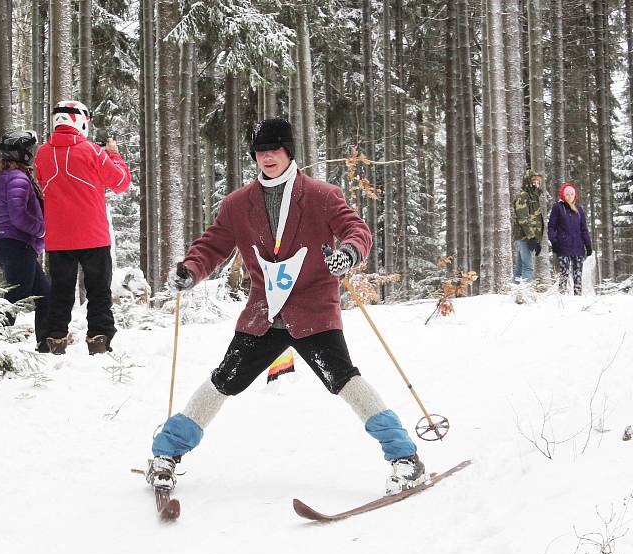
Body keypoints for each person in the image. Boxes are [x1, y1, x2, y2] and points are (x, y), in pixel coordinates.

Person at [145, 118, 426, 496]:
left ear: (289, 151)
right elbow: (212, 246)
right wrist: (191, 270)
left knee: (344, 380)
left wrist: (348, 254)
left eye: (274, 150)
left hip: (313, 311)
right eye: (260, 151)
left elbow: (357, 230)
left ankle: (405, 458)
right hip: (264, 315)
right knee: (223, 380)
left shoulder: (322, 196)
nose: (267, 157)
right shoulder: (237, 204)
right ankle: (165, 454)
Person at [34, 100, 132, 355]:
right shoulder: (92, 151)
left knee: (60, 291)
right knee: (99, 291)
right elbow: (121, 182)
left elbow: (44, 185)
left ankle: (54, 340)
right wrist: (114, 155)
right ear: (80, 121)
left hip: (58, 238)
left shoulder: (42, 153)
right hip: (93, 235)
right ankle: (99, 340)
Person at [0, 130, 50, 351]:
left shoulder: (5, 176)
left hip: (11, 245)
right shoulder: (18, 178)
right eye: (28, 150)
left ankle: (45, 344)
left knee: (45, 294)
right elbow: (18, 216)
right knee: (15, 298)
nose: (30, 154)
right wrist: (42, 229)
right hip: (18, 245)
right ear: (19, 153)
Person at [547, 182, 592, 296]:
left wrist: (588, 244)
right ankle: (562, 297)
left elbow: (584, 229)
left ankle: (578, 297)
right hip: (563, 247)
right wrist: (554, 242)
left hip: (578, 247)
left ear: (575, 195)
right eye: (567, 194)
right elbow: (551, 227)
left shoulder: (579, 210)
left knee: (578, 274)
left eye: (572, 193)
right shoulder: (558, 207)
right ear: (563, 195)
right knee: (564, 273)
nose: (569, 196)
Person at [512, 169, 546, 282]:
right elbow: (523, 219)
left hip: (529, 237)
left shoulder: (534, 197)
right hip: (524, 237)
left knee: (520, 267)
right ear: (527, 181)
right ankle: (525, 294)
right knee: (528, 267)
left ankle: (516, 293)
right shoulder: (523, 196)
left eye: (538, 182)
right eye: (533, 181)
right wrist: (531, 237)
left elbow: (536, 220)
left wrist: (537, 240)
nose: (536, 184)